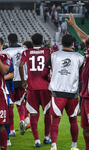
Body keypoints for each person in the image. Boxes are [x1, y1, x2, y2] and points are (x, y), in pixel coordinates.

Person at [41, 34, 83, 150]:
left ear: (61, 43)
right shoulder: (80, 57)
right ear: (73, 44)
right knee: (73, 119)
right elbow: (81, 77)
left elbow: (44, 74)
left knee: (55, 119)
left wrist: (52, 80)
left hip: (57, 92)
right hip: (73, 92)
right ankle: (74, 146)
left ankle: (54, 146)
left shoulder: (54, 55)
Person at [19, 33, 52, 148]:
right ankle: (47, 137)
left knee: (33, 114)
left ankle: (37, 141)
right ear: (42, 41)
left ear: (32, 42)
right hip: (45, 86)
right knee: (47, 112)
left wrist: (23, 81)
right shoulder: (48, 51)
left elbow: (21, 65)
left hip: (31, 87)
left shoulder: (26, 52)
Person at [65, 13, 89, 150]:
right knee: (86, 128)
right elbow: (85, 38)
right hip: (85, 96)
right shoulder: (87, 52)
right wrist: (74, 25)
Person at [3, 33, 27, 136]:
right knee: (21, 103)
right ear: (17, 40)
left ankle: (12, 130)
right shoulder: (24, 51)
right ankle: (22, 120)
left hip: (10, 80)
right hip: (22, 80)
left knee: (10, 105)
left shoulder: (5, 52)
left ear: (8, 41)